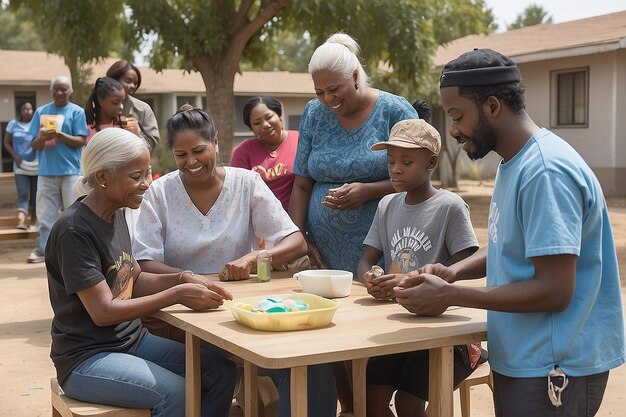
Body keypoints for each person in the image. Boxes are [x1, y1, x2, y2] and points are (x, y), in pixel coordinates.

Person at [395, 48, 626, 417]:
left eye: (457, 116)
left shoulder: (546, 171)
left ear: (491, 106)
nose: (451, 129)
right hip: (525, 357)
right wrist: (453, 271)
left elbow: (555, 289)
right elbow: (510, 243)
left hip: (555, 365)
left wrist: (451, 295)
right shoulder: (513, 163)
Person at [133, 105, 336, 417]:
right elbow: (144, 264)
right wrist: (188, 279)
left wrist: (257, 257)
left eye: (199, 150)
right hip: (183, 318)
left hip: (241, 312)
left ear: (216, 143)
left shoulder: (246, 183)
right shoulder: (159, 192)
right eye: (181, 155)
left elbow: (296, 242)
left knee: (309, 364)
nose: (191, 162)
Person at [46, 128, 236, 417]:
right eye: (136, 177)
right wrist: (176, 294)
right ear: (102, 177)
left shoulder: (116, 212)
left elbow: (135, 278)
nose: (147, 183)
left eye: (148, 173)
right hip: (87, 359)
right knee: (174, 393)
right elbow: (103, 311)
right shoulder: (75, 230)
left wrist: (183, 277)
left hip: (132, 342)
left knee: (220, 370)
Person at [357, 119, 479, 417]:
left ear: (431, 162)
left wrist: (417, 278)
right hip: (397, 325)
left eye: (407, 161)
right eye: (391, 161)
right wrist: (370, 279)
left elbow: (468, 265)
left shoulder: (449, 206)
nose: (395, 169)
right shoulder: (387, 204)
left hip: (444, 332)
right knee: (371, 398)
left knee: (408, 403)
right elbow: (365, 261)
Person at [289, 32, 419, 276]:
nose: (328, 99)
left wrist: (368, 191)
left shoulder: (395, 111)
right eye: (320, 92)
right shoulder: (313, 113)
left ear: (355, 76)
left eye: (335, 89)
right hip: (322, 253)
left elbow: (420, 177)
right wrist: (299, 239)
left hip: (384, 245)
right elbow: (302, 184)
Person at [27, 76, 89, 263]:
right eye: (57, 89)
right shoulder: (41, 112)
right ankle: (44, 250)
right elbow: (34, 145)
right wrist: (42, 137)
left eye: (64, 89)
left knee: (73, 214)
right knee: (45, 215)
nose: (61, 92)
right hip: (46, 172)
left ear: (70, 91)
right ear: (51, 91)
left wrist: (60, 135)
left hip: (71, 172)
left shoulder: (76, 112)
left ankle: (74, 252)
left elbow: (81, 140)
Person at [230, 96, 298, 210]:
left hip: (298, 218)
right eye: (257, 123)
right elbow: (239, 193)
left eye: (269, 117)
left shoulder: (300, 140)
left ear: (280, 116)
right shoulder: (243, 151)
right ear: (251, 129)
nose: (265, 125)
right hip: (259, 220)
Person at [106, 60, 160, 149]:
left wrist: (138, 133)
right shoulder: (98, 106)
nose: (132, 86)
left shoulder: (143, 109)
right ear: (113, 80)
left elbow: (153, 142)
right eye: (128, 81)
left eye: (135, 83)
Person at [3, 102, 37, 230]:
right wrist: (15, 156)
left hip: (36, 165)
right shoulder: (13, 124)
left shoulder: (37, 124)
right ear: (20, 110)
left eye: (30, 108)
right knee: (23, 193)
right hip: (20, 165)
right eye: (25, 108)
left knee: (35, 195)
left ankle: (32, 223)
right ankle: (22, 221)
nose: (27, 111)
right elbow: (6, 142)